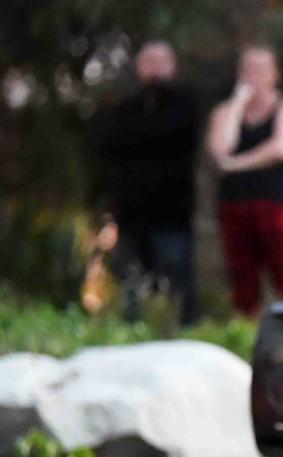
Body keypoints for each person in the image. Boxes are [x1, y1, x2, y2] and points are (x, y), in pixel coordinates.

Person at [206, 45, 283, 315]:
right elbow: (220, 150)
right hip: (235, 204)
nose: (254, 75)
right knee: (243, 284)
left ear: (275, 74)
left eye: (261, 69)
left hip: (277, 203)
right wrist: (238, 104)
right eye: (248, 69)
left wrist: (237, 164)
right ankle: (246, 334)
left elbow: (282, 148)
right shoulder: (225, 111)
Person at [100, 40, 200, 325]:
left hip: (172, 213)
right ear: (139, 67)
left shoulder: (186, 102)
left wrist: (142, 139)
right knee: (132, 281)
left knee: (178, 282)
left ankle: (185, 333)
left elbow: (175, 136)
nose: (155, 69)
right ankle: (132, 335)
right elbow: (109, 145)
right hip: (131, 213)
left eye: (161, 61)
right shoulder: (126, 107)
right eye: (149, 62)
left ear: (173, 66)